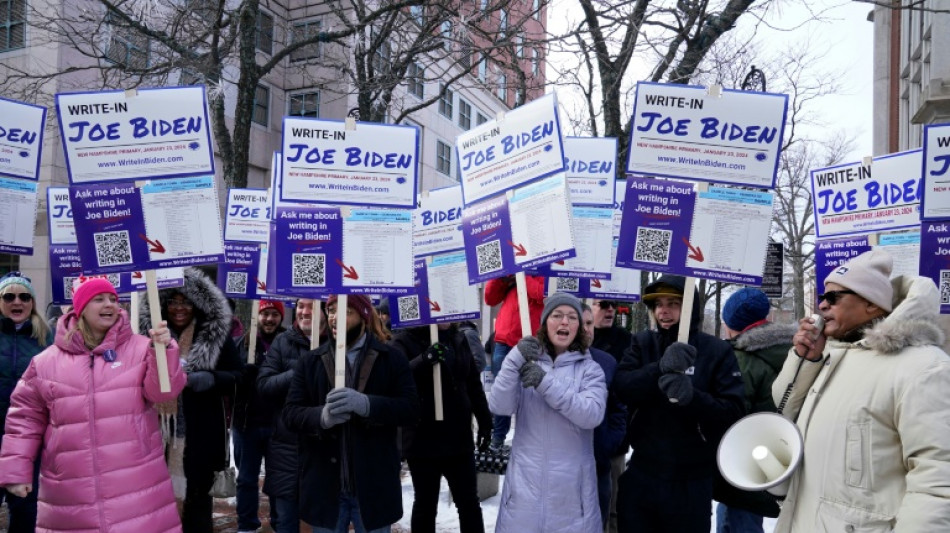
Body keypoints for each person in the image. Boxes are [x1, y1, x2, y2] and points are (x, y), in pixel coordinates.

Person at [772, 250, 950, 532]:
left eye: (833, 298)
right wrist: (806, 358)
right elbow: (784, 405)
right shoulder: (833, 355)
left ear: (871, 304)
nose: (822, 306)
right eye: (822, 296)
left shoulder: (924, 367)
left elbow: (939, 480)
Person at [0, 276, 186, 532]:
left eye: (112, 299)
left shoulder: (143, 349)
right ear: (81, 308)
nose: (109, 304)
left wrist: (164, 352)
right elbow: (24, 420)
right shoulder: (45, 363)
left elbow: (164, 393)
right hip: (71, 491)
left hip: (134, 484)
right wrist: (15, 471)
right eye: (98, 299)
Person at [612, 274, 744, 533]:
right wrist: (659, 369)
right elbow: (622, 387)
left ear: (690, 307)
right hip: (642, 474)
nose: (664, 310)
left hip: (691, 482)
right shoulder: (642, 343)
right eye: (658, 304)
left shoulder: (717, 350)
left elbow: (733, 412)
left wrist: (692, 398)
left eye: (673, 303)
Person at [283, 294, 419, 533]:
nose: (335, 317)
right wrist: (321, 417)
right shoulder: (310, 361)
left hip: (373, 485)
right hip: (325, 485)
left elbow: (410, 408)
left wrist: (367, 405)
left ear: (364, 317)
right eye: (332, 310)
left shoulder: (391, 358)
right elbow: (291, 414)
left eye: (346, 311)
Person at [489, 292, 606, 533]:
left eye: (572, 317)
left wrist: (545, 383)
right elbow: (499, 405)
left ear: (578, 327)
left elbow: (591, 415)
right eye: (557, 315)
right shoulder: (525, 362)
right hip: (524, 494)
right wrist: (514, 359)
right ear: (544, 323)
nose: (565, 322)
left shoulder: (591, 369)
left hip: (572, 500)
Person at [141, 267, 244, 533]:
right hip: (157, 437)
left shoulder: (214, 336)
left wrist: (212, 379)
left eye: (186, 301)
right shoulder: (148, 337)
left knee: (198, 507)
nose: (179, 308)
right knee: (155, 505)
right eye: (173, 301)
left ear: (197, 304)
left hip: (202, 437)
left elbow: (240, 376)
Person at [391, 322, 493, 533]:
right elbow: (394, 379)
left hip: (458, 435)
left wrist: (484, 420)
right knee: (426, 504)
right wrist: (423, 360)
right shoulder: (403, 340)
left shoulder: (458, 338)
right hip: (422, 437)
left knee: (468, 503)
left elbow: (472, 381)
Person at [715, 287, 791, 532]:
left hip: (744, 467)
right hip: (780, 459)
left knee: (734, 521)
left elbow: (730, 415)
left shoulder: (742, 360)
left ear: (731, 324)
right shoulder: (794, 352)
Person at [257, 298, 322, 533]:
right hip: (286, 450)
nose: (304, 311)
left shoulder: (339, 342)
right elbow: (264, 385)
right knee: (286, 521)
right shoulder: (283, 342)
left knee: (322, 521)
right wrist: (297, 371)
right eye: (301, 305)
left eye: (311, 306)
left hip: (324, 451)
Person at [0, 273, 53, 533]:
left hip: (28, 438)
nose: (16, 301)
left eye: (24, 296)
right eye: (9, 296)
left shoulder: (48, 337)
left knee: (24, 505)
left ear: (32, 301)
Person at [233, 300, 286, 533]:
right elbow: (229, 378)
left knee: (279, 479)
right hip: (247, 423)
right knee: (246, 479)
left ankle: (279, 522)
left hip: (279, 423)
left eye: (275, 314)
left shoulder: (287, 343)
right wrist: (241, 375)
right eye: (265, 313)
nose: (270, 319)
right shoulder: (242, 344)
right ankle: (247, 525)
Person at [483, 274, 544, 450]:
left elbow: (541, 294)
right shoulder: (510, 276)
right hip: (503, 341)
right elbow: (490, 298)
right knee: (503, 390)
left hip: (530, 341)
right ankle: (498, 438)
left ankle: (529, 439)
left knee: (531, 391)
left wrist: (522, 275)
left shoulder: (541, 270)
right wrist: (501, 278)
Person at [580, 303, 627, 531]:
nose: (586, 329)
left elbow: (619, 406)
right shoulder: (550, 361)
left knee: (604, 517)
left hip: (602, 460)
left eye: (589, 324)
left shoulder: (608, 360)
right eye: (582, 324)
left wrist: (611, 443)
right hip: (566, 464)